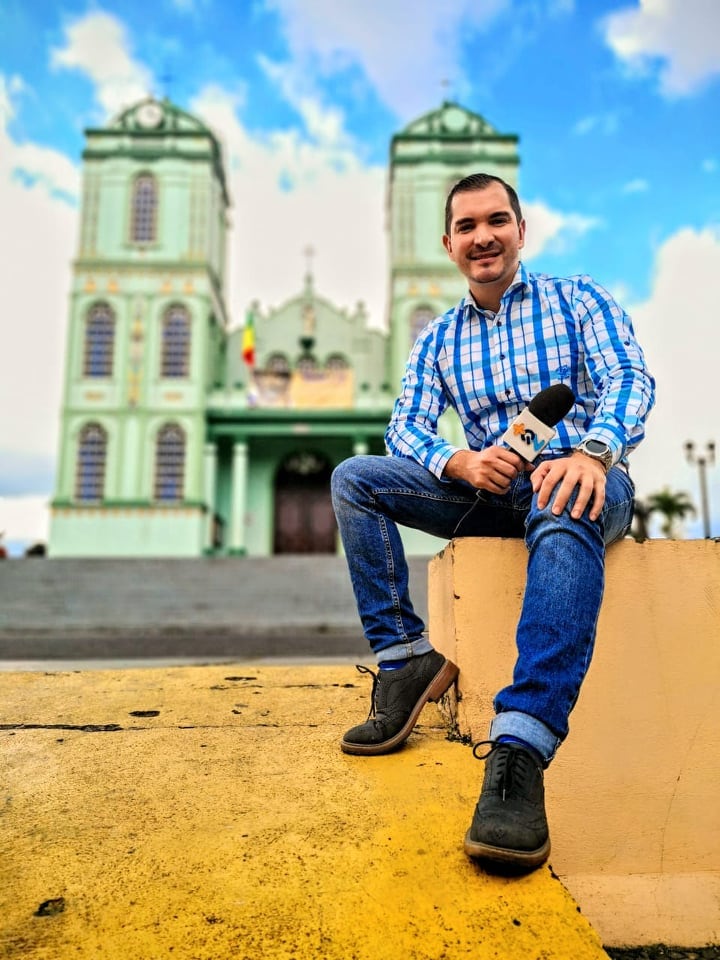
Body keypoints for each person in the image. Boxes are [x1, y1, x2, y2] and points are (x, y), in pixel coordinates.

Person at [330, 172, 655, 871]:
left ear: (520, 229)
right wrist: (458, 461)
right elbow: (406, 426)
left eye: (497, 220)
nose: (484, 236)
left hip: (585, 478)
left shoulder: (578, 298)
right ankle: (404, 660)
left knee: (560, 495)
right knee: (355, 480)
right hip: (492, 491)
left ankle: (519, 753)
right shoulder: (438, 338)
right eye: (468, 226)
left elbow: (630, 377)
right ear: (449, 245)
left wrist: (595, 454)